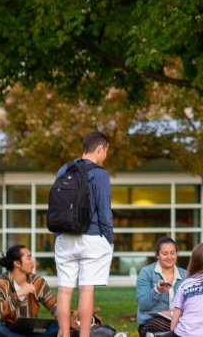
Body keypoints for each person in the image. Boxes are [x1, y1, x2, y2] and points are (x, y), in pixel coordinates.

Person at [55, 131, 116, 337]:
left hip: (64, 237)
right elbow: (104, 212)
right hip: (91, 238)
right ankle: (83, 335)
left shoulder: (64, 169)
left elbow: (60, 206)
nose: (105, 156)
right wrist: (109, 239)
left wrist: (59, 236)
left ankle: (63, 334)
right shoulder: (100, 174)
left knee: (64, 290)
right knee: (86, 288)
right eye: (105, 152)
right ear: (100, 149)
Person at [0, 245, 60, 337]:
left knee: (59, 324)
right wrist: (19, 294)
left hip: (33, 331)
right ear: (17, 263)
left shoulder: (37, 281)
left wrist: (66, 317)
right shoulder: (0, 283)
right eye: (29, 258)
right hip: (8, 331)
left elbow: (54, 306)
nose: (33, 262)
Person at [137, 237, 186, 335]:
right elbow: (143, 305)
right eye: (165, 253)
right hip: (152, 322)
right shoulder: (146, 273)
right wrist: (157, 290)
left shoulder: (185, 275)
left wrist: (173, 314)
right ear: (157, 255)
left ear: (176, 255)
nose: (169, 257)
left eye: (172, 253)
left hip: (178, 319)